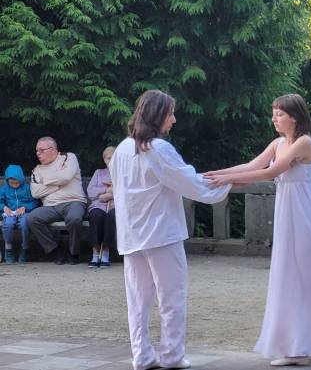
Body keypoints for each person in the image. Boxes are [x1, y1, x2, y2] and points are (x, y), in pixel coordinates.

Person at [205, 94, 311, 367]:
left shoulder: (304, 143)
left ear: (294, 117)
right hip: (287, 212)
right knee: (290, 276)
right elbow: (253, 166)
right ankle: (298, 347)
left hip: (305, 214)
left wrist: (226, 179)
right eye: (274, 112)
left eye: (280, 113)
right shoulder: (277, 143)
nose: (274, 118)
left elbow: (269, 173)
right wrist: (215, 174)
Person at [111, 89, 232, 370]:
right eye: (170, 114)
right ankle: (172, 355)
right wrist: (227, 182)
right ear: (157, 115)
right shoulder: (157, 149)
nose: (174, 120)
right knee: (172, 297)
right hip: (161, 232)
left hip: (132, 234)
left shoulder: (122, 149)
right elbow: (188, 181)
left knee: (137, 301)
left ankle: (142, 356)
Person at [28, 137, 87, 265]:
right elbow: (36, 193)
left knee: (75, 218)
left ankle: (73, 252)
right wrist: (59, 184)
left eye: (41, 150)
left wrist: (45, 181)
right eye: (37, 151)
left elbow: (67, 176)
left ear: (53, 150)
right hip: (50, 207)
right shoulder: (37, 170)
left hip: (74, 202)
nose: (38, 153)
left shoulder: (68, 157)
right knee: (32, 218)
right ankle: (55, 250)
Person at [1, 165, 38, 263]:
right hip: (10, 212)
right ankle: (8, 248)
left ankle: (25, 248)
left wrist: (25, 207)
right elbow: (0, 201)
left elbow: (34, 202)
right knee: (8, 224)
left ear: (21, 179)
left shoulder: (27, 188)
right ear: (7, 181)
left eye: (17, 183)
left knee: (25, 224)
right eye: (11, 183)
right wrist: (4, 207)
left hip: (24, 212)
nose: (14, 185)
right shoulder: (4, 189)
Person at [86, 146, 116, 268]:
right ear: (104, 160)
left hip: (115, 206)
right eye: (108, 158)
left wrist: (111, 195)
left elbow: (127, 193)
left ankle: (106, 251)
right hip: (98, 204)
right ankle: (95, 251)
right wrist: (105, 190)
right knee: (96, 215)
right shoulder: (98, 173)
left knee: (111, 217)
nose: (111, 161)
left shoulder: (124, 174)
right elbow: (91, 192)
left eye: (114, 158)